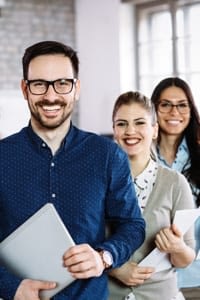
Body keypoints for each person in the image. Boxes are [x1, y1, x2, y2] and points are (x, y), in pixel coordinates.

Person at [0, 41, 145, 300]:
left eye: (62, 83)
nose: (51, 95)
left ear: (76, 88)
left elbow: (132, 225)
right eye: (39, 84)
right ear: (25, 89)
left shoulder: (108, 155)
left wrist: (104, 257)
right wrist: (11, 286)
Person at [108, 91, 195, 300]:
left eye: (139, 123)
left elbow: (186, 257)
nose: (130, 131)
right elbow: (81, 241)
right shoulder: (97, 181)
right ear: (114, 131)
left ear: (154, 130)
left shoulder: (175, 184)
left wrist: (177, 247)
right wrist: (112, 266)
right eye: (121, 124)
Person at [150, 77, 200, 298]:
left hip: (194, 278)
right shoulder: (139, 157)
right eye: (165, 104)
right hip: (151, 279)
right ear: (154, 109)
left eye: (182, 105)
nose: (174, 112)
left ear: (191, 110)